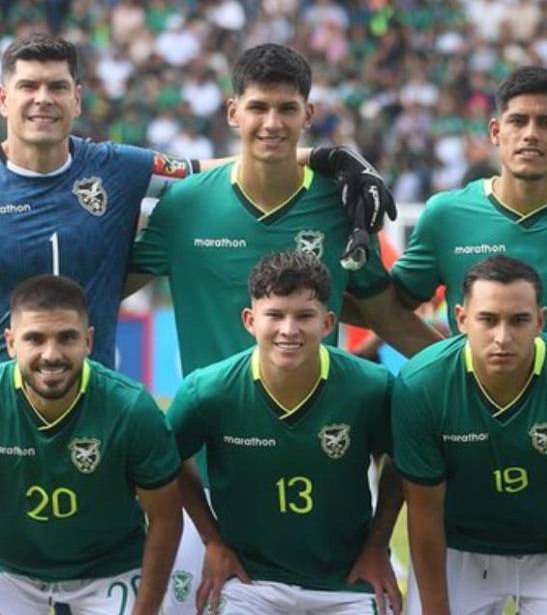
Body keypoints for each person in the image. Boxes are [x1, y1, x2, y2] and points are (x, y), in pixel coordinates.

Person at [124, 43, 438, 613]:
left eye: (287, 108)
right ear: (233, 112)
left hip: (320, 467)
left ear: (307, 115)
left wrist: (463, 367)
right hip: (208, 472)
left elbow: (385, 313)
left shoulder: (341, 205)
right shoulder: (185, 207)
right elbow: (107, 287)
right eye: (258, 107)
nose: (272, 123)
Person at [0, 33, 394, 370]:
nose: (43, 99)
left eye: (56, 87)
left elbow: (208, 167)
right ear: (3, 100)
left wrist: (328, 157)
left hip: (88, 404)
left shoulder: (116, 167)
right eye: (28, 87)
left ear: (77, 99)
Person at [166, 251, 402, 614]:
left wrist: (376, 546)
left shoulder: (372, 387)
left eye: (304, 316)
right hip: (249, 581)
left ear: (327, 323)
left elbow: (405, 459)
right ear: (250, 320)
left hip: (346, 582)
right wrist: (212, 541)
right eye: (274, 315)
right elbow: (166, 461)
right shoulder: (207, 392)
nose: (289, 330)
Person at [394, 255, 547, 615]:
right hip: (459, 547)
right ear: (461, 319)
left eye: (519, 320)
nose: (503, 337)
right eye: (488, 319)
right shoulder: (421, 384)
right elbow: (423, 510)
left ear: (541, 321)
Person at [390, 65, 547, 353]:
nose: (531, 134)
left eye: (546, 123)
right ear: (495, 131)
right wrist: (443, 364)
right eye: (518, 121)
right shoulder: (445, 215)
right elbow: (389, 307)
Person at [0, 275, 181, 615]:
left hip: (109, 571)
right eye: (34, 339)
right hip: (9, 571)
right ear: (11, 343)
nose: (51, 355)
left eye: (67, 337)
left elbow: (165, 518)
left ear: (88, 341)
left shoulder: (130, 408)